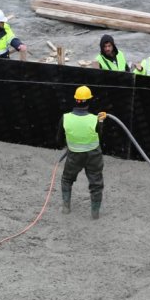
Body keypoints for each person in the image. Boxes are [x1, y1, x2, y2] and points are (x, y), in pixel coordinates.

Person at [58, 86, 107, 220]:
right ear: (89, 101)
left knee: (67, 179)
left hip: (74, 155)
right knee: (96, 184)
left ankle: (66, 207)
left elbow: (59, 139)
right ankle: (95, 214)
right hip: (94, 156)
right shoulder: (94, 119)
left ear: (75, 100)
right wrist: (101, 121)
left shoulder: (65, 117)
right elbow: (100, 137)